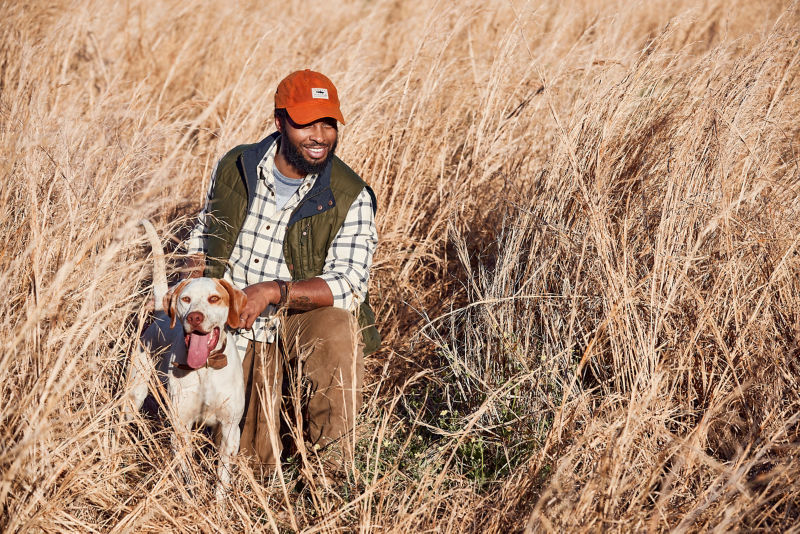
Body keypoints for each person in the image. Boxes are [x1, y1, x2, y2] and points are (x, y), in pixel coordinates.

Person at [184, 69, 380, 475]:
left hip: (291, 324)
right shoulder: (236, 165)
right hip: (231, 324)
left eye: (328, 123)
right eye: (307, 122)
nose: (320, 135)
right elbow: (203, 236)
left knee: (337, 329)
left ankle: (333, 476)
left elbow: (349, 284)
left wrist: (274, 291)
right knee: (247, 468)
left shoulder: (350, 194)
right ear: (279, 122)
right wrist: (194, 287)